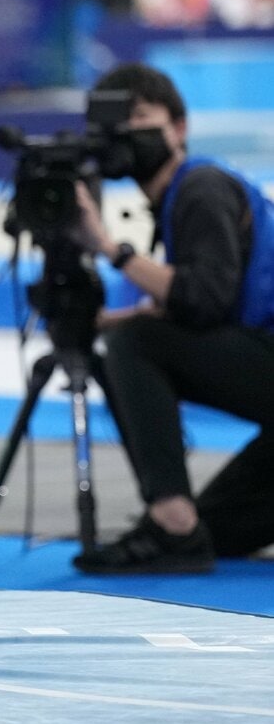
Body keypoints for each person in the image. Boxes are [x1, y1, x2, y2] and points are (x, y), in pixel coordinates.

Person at [72, 63, 274, 573]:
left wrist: (110, 251)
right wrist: (110, 318)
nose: (126, 132)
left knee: (138, 342)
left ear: (178, 128)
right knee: (217, 532)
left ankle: (169, 521)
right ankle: (184, 526)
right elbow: (211, 305)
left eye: (140, 116)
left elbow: (203, 300)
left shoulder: (202, 186)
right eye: (116, 122)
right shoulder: (183, 196)